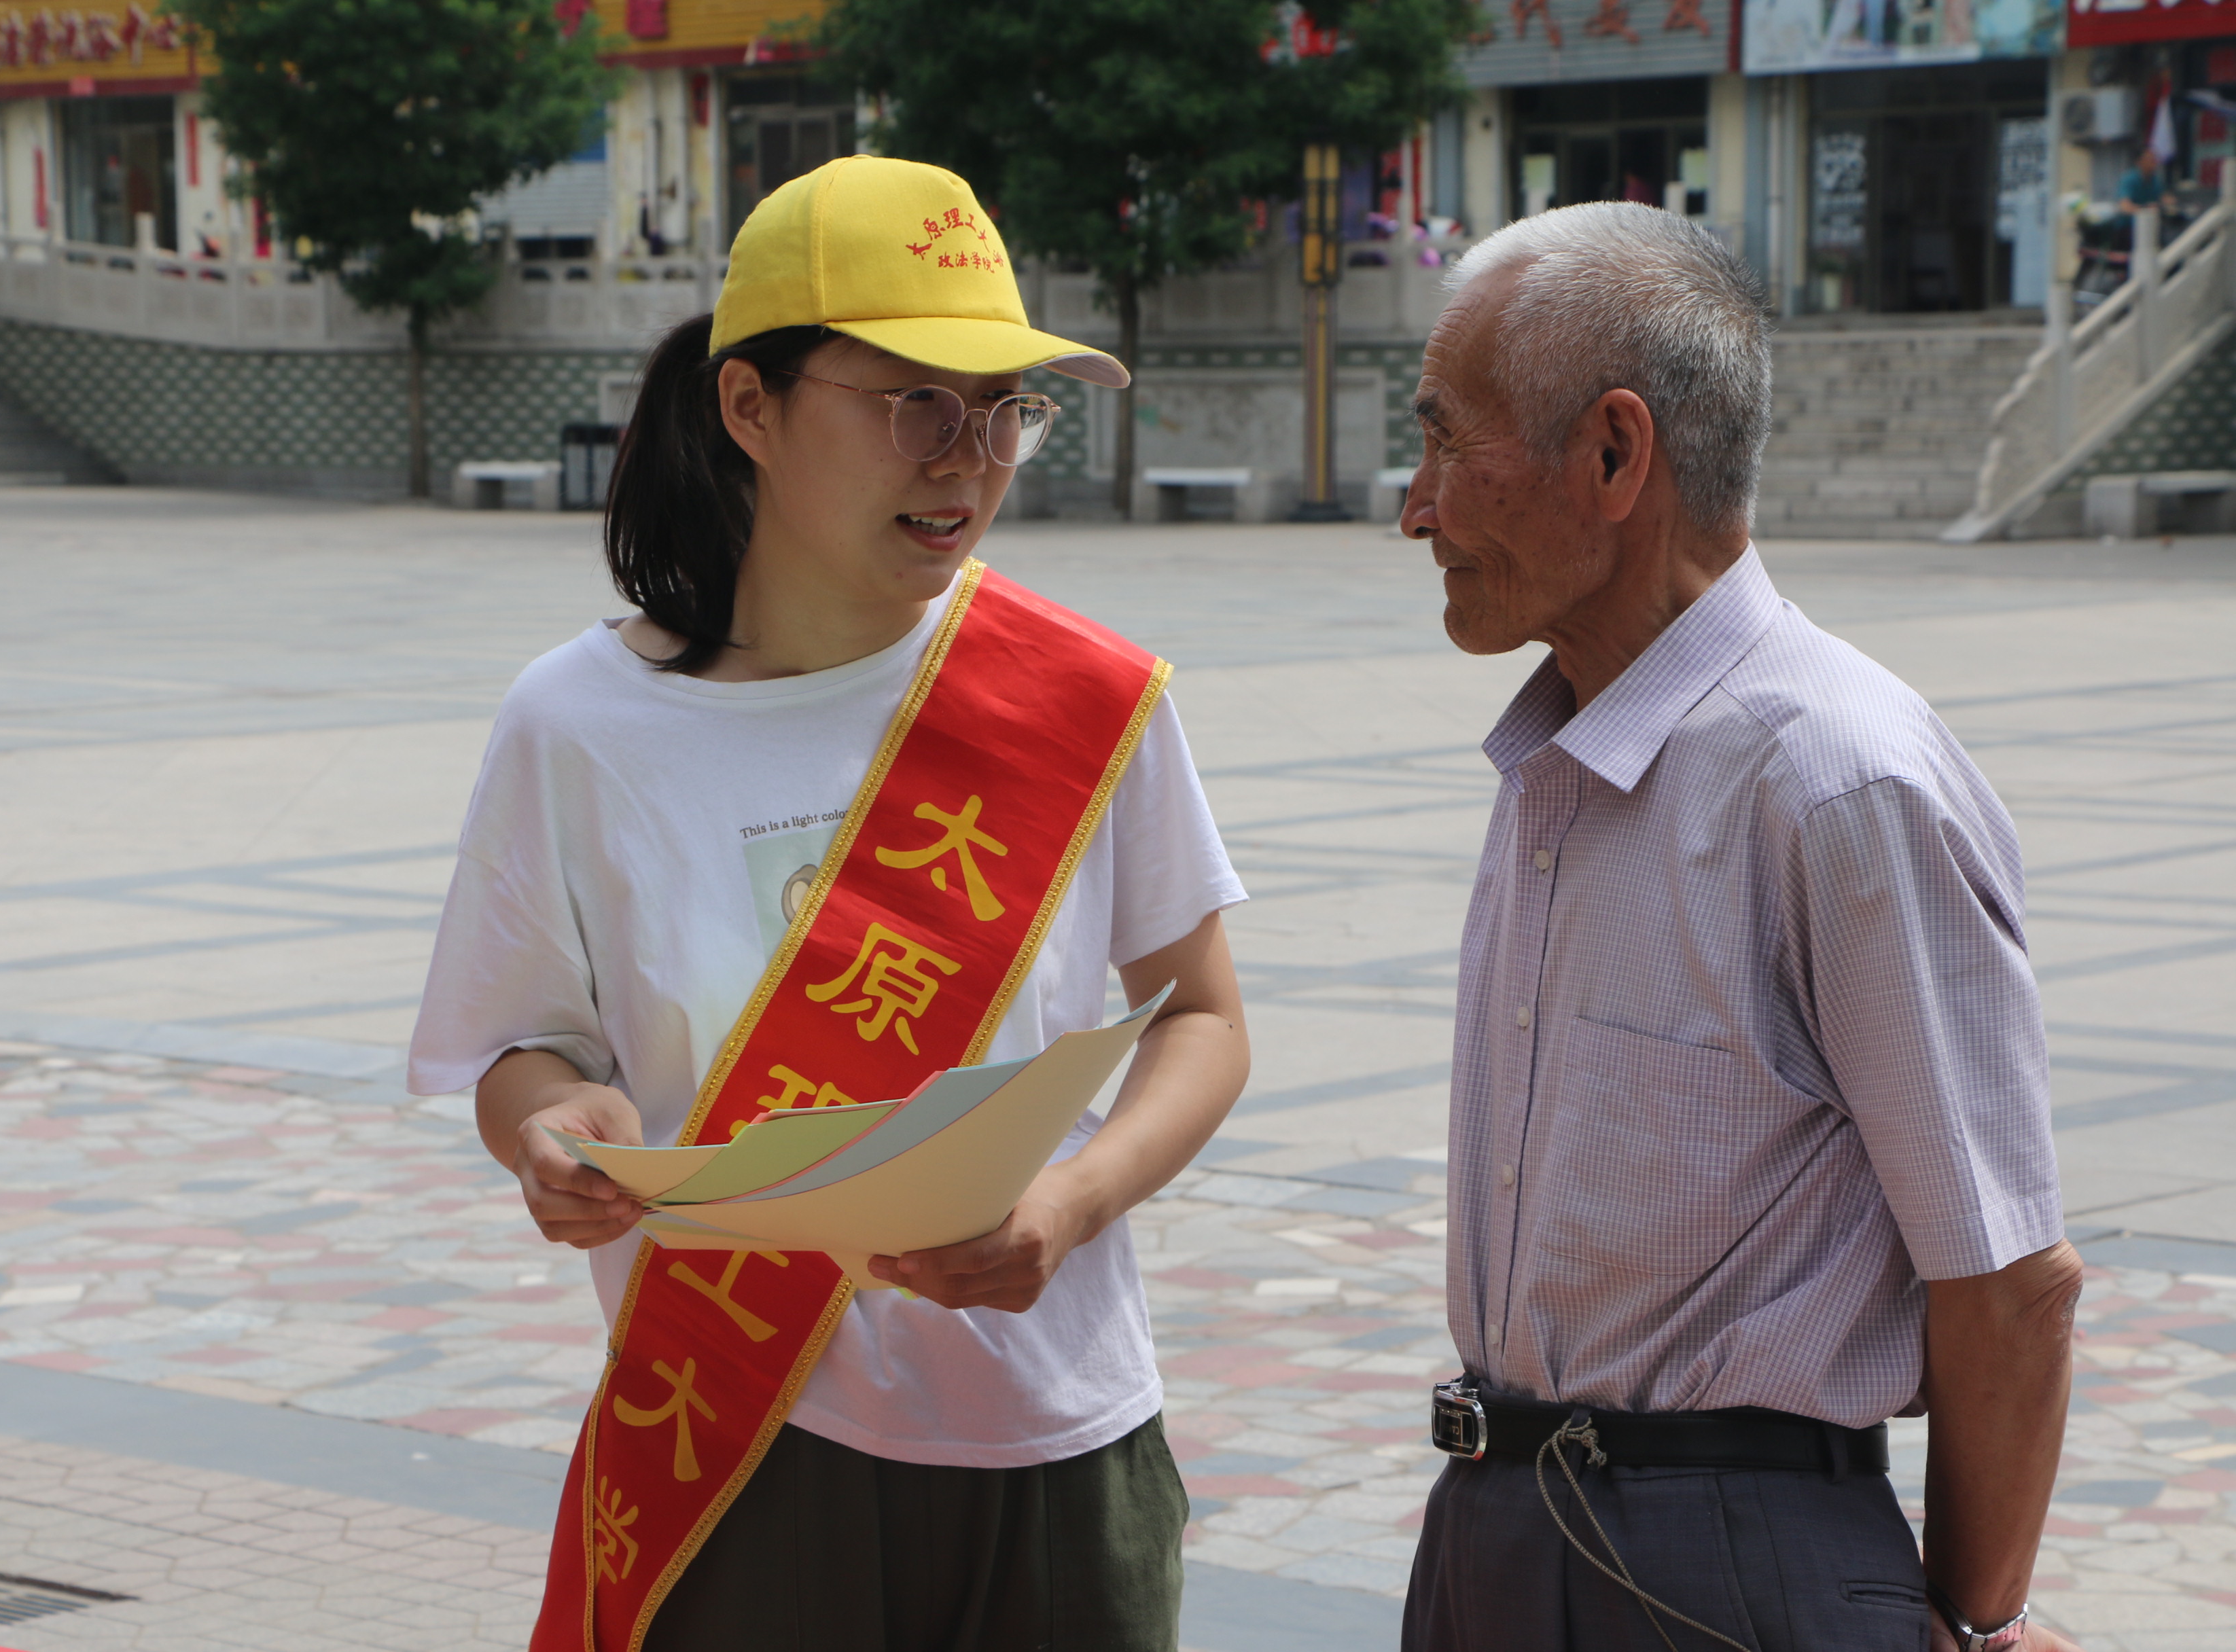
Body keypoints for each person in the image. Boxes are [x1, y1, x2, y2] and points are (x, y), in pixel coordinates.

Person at [407, 154, 1249, 1652]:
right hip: (743, 1457)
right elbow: (518, 1050)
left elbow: (1204, 1021)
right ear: (750, 405)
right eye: (915, 403)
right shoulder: (579, 726)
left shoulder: (1082, 697)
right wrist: (547, 1124)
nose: (967, 460)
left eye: (1005, 409)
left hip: (1060, 1441)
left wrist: (1068, 1204)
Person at [1396, 200, 2084, 1652]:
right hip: (1496, 1522)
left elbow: (2009, 1283)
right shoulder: (1559, 761)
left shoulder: (1835, 780)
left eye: (1449, 443)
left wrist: (1974, 1624)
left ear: (1614, 454)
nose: (1416, 505)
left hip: (1724, 1564)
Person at [2117, 147, 2165, 216]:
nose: (2155, 163)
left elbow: (2163, 198)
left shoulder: (2155, 180)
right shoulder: (2130, 179)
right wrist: (2146, 209)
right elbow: (2125, 207)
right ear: (2139, 162)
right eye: (2151, 160)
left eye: (2155, 160)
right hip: (2131, 221)